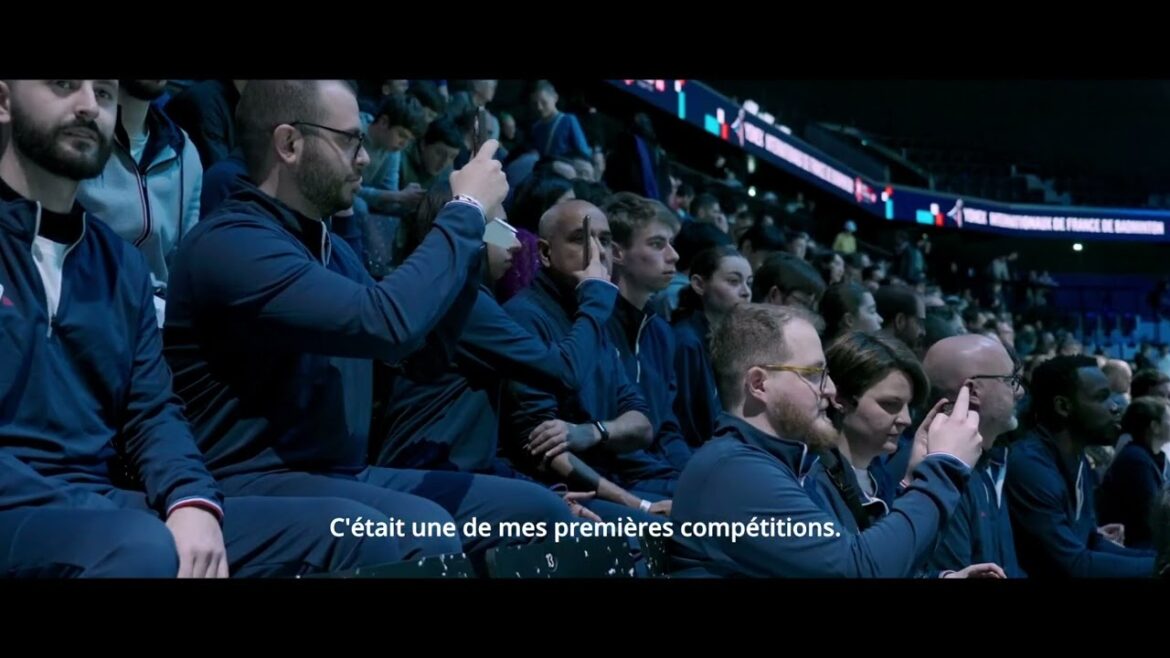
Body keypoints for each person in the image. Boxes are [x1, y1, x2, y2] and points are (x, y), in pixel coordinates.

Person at [0, 78, 400, 577]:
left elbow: (151, 410)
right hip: (23, 504)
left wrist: (191, 499)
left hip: (104, 503)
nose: (89, 106)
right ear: (4, 101)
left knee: (355, 535)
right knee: (142, 548)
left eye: (104, 94)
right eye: (63, 85)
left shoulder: (121, 264)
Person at [163, 79, 569, 563]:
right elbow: (385, 323)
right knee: (422, 530)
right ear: (289, 144)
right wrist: (462, 210)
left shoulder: (328, 248)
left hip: (342, 475)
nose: (363, 158)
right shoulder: (233, 243)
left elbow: (421, 358)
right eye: (349, 139)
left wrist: (470, 248)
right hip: (253, 480)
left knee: (539, 513)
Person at [669, 304, 984, 577]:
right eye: (814, 374)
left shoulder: (785, 465)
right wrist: (944, 468)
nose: (831, 390)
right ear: (759, 383)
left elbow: (860, 559)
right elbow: (860, 570)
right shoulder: (733, 471)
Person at [1005, 356, 1157, 577]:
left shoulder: (1079, 458)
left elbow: (1091, 541)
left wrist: (1160, 561)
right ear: (1063, 406)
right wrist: (1160, 568)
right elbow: (1073, 565)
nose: (1115, 407)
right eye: (1102, 397)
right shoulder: (1030, 467)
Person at [76, 79, 202, 326]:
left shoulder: (183, 150)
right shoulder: (78, 136)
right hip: (86, 302)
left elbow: (184, 260)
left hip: (156, 315)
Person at [921, 334, 1027, 577]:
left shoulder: (991, 462)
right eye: (1011, 380)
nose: (1019, 391)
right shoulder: (942, 474)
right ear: (973, 391)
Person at [671, 246, 751, 447]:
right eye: (733, 281)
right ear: (699, 284)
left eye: (749, 283)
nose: (746, 292)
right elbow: (687, 423)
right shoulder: (686, 341)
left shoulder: (733, 339)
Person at [1097, 396, 1169, 549]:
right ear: (1155, 426)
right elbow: (1153, 517)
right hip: (1137, 546)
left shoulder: (1148, 457)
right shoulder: (1136, 460)